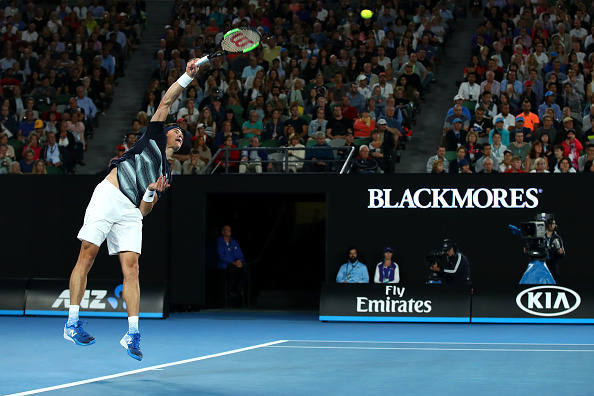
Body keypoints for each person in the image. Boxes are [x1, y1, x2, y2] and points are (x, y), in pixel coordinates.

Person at [63, 59, 200, 361]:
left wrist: (151, 191)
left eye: (182, 137)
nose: (181, 136)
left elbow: (143, 213)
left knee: (133, 269)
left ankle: (132, 333)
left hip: (129, 211)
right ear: (165, 133)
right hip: (109, 194)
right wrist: (187, 77)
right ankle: (72, 322)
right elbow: (166, 100)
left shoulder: (166, 173)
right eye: (177, 132)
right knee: (87, 253)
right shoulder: (152, 136)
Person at [217, 225, 247, 303]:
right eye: (227, 230)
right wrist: (233, 262)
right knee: (232, 270)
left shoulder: (234, 242)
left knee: (245, 269)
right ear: (223, 232)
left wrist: (240, 261)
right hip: (226, 265)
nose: (229, 231)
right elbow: (221, 255)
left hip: (235, 264)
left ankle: (239, 291)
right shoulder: (219, 242)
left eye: (230, 230)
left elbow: (240, 254)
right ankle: (229, 292)